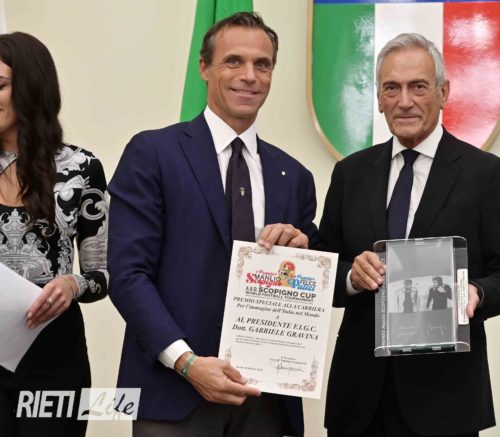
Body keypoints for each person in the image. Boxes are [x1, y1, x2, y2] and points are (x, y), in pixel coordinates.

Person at [108, 12, 317, 437]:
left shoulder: (294, 176)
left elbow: (306, 282)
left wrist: (302, 254)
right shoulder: (153, 153)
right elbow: (128, 275)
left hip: (264, 403)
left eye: (262, 64)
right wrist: (186, 362)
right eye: (233, 61)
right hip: (172, 394)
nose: (249, 76)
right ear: (204, 68)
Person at [318, 33, 500, 437]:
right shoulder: (350, 174)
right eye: (391, 88)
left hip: (445, 402)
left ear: (443, 93)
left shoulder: (486, 175)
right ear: (379, 98)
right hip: (357, 401)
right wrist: (351, 277)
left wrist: (475, 293)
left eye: (418, 87)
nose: (404, 101)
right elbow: (323, 269)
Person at [0, 32, 108, 436]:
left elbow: (102, 275)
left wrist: (71, 284)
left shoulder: (82, 168)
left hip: (54, 360)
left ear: (30, 87)